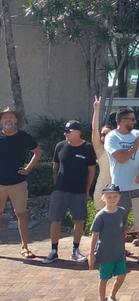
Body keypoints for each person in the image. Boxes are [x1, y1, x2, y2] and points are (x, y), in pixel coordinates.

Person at [42, 120, 97, 264]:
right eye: (65, 131)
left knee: (79, 220)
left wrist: (86, 189)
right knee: (55, 220)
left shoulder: (88, 147)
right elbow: (55, 167)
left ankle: (75, 250)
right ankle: (53, 251)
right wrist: (56, 185)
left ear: (78, 132)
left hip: (79, 192)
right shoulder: (60, 146)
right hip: (60, 191)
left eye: (69, 131)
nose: (65, 133)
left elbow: (91, 171)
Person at [104, 107, 139, 267]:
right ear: (122, 120)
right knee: (120, 223)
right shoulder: (112, 136)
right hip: (120, 187)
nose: (134, 121)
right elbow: (122, 158)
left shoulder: (137, 134)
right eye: (131, 119)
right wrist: (135, 145)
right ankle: (119, 253)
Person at [0, 106, 42, 259]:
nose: (8, 120)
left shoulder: (24, 137)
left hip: (18, 183)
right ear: (1, 120)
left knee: (22, 214)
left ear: (15, 120)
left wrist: (29, 168)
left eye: (11, 117)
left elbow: (38, 152)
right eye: (5, 117)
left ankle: (25, 247)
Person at [89, 184, 128, 301]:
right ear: (103, 198)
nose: (112, 199)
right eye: (109, 197)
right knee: (104, 279)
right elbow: (94, 235)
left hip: (119, 252)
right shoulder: (100, 216)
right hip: (105, 254)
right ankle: (102, 298)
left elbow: (123, 228)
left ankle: (112, 295)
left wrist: (130, 230)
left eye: (115, 196)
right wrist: (91, 254)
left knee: (122, 275)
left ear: (119, 197)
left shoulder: (122, 211)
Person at [91, 97, 114, 210]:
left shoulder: (120, 149)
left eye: (108, 134)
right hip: (102, 188)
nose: (104, 136)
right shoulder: (100, 149)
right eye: (103, 134)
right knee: (100, 219)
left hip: (118, 190)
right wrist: (96, 110)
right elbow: (94, 130)